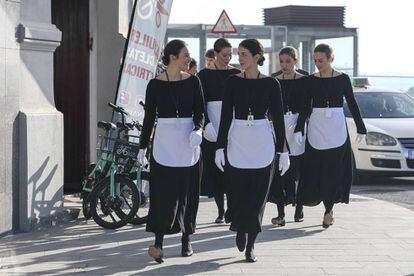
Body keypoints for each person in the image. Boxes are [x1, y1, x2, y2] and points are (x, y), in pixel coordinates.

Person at [215, 39, 290, 262]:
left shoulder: (271, 84)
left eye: (244, 54)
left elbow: (278, 119)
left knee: (259, 196)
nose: (240, 58)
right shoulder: (231, 82)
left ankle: (251, 245)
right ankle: (240, 228)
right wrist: (219, 146)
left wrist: (283, 151)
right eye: (238, 54)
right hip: (238, 139)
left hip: (262, 141)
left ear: (258, 56)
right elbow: (225, 116)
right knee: (238, 193)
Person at [138, 39, 205, 263]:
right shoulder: (154, 85)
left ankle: (187, 239)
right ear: (173, 57)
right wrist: (142, 147)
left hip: (188, 141)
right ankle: (158, 242)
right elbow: (148, 119)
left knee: (187, 192)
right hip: (164, 142)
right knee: (162, 193)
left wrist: (198, 130)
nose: (189, 59)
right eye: (185, 55)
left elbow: (200, 112)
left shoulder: (193, 82)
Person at [295, 43, 366, 228]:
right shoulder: (310, 80)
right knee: (317, 170)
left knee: (333, 172)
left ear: (330, 58)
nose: (318, 64)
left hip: (336, 128)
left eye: (321, 60)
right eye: (315, 60)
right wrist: (299, 127)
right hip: (316, 127)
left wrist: (361, 127)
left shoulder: (343, 78)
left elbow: (352, 103)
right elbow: (304, 106)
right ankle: (313, 203)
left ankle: (329, 210)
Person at [198, 38, 240, 224]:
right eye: (224, 55)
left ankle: (231, 208)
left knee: (232, 169)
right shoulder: (203, 75)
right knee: (216, 171)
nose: (228, 58)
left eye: (231, 55)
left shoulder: (237, 74)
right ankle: (220, 210)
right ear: (215, 54)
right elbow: (200, 103)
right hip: (212, 127)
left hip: (233, 127)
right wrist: (206, 124)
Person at [268, 46, 307, 226]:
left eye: (288, 61)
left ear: (295, 62)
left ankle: (299, 206)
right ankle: (281, 213)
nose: (284, 65)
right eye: (281, 61)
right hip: (279, 125)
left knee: (298, 168)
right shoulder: (274, 81)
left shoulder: (303, 80)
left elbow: (307, 107)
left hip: (298, 125)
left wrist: (300, 127)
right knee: (279, 170)